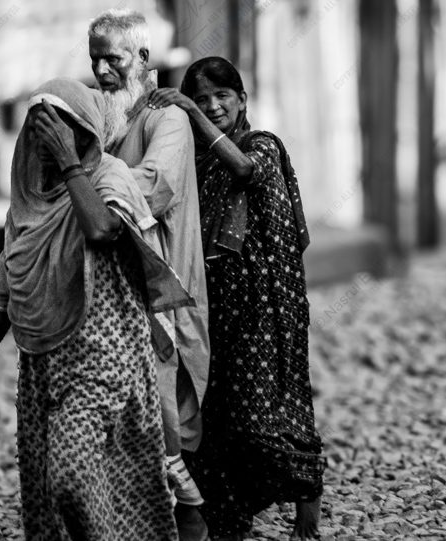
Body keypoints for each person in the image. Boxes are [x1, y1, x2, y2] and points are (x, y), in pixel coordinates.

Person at [0, 78, 190, 540]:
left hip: (105, 358)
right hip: (44, 363)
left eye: (61, 133)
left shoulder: (108, 175)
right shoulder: (29, 197)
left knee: (68, 474)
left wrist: (71, 164)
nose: (47, 147)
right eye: (39, 136)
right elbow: (10, 274)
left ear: (84, 131)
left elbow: (103, 230)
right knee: (52, 488)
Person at [148, 56, 327, 540]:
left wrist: (189, 111)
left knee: (264, 416)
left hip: (268, 306)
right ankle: (227, 521)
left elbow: (246, 171)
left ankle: (307, 503)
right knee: (218, 415)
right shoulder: (197, 163)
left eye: (221, 96)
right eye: (202, 99)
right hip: (217, 304)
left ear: (242, 100)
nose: (214, 106)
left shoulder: (260, 145)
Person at [88, 10, 211, 539]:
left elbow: (152, 187)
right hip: (119, 298)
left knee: (164, 406)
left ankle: (191, 518)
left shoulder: (169, 121)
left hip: (162, 295)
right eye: (94, 59)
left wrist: (82, 184)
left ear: (142, 60)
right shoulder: (107, 123)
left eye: (112, 58)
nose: (101, 69)